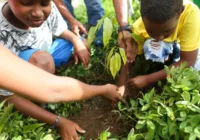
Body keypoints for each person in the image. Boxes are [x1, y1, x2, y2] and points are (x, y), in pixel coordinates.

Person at [0, 0, 123, 139]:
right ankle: (38, 102)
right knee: (43, 61)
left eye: (44, 3)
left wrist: (77, 42)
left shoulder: (48, 9)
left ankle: (49, 67)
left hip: (43, 48)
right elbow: (8, 97)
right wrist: (58, 121)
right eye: (27, 3)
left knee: (82, 42)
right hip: (31, 60)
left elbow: (61, 30)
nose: (37, 12)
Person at [121, 0, 200, 89]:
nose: (159, 38)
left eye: (166, 31)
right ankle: (165, 62)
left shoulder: (191, 14)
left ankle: (170, 61)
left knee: (194, 70)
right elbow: (126, 58)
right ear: (142, 17)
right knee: (149, 45)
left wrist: (147, 79)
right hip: (169, 45)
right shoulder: (139, 28)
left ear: (181, 12)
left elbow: (188, 61)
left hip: (188, 46)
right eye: (151, 31)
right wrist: (122, 85)